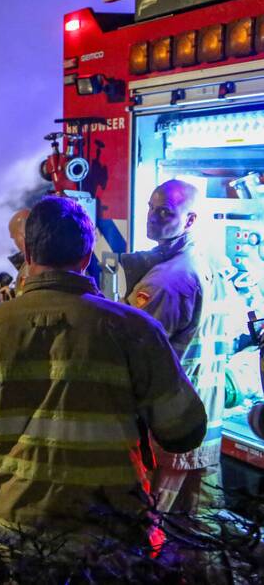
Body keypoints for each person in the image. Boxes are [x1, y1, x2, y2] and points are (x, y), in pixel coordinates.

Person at [0, 195, 206, 538]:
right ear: (87, 256)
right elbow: (184, 430)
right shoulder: (136, 329)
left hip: (20, 520)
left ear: (29, 255)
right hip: (111, 527)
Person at [121, 179, 228, 534]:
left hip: (170, 429)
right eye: (151, 208)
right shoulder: (209, 264)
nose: (153, 218)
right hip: (206, 425)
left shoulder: (168, 282)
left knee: (152, 530)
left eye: (165, 212)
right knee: (202, 535)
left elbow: (132, 355)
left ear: (191, 219)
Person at [0, 208, 30, 302]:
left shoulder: (34, 265)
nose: (15, 242)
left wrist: (7, 305)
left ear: (22, 234)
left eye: (14, 237)